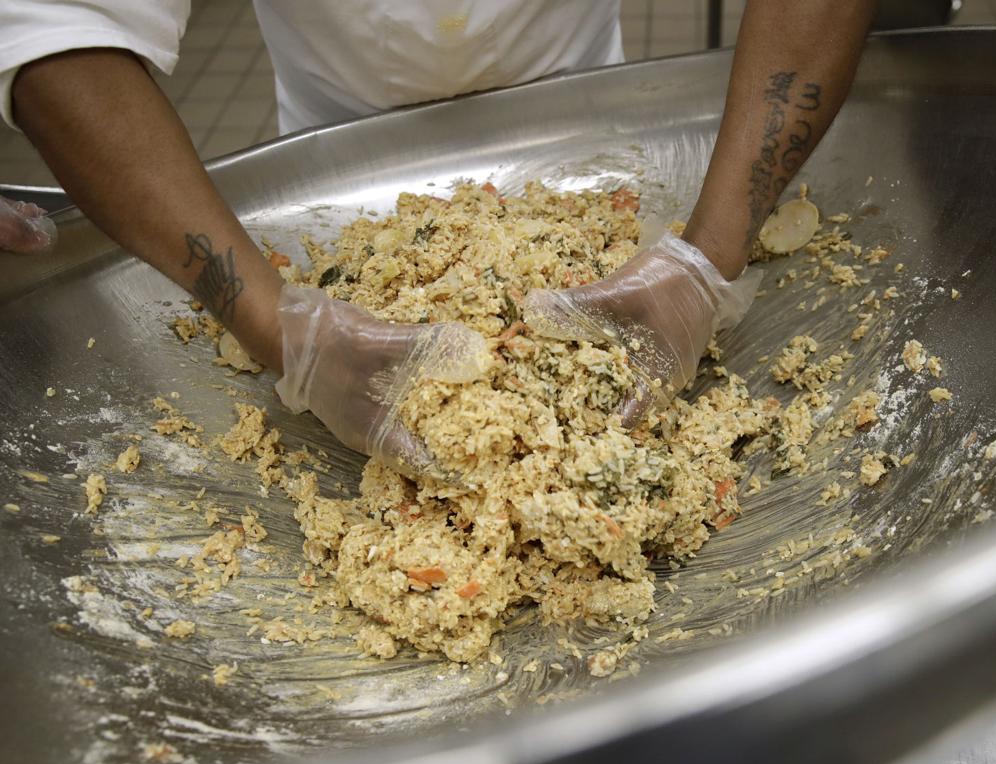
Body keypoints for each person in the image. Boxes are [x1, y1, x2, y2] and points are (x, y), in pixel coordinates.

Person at [0, 0, 874, 472]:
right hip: (341, 151)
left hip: (582, 118)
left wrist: (705, 259)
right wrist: (279, 327)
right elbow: (57, 26)